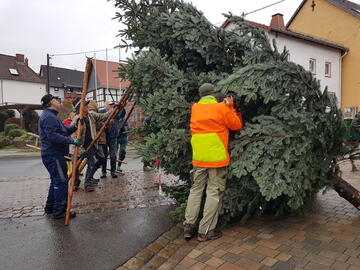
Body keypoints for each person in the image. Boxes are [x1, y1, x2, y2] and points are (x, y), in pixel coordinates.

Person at [183, 83, 243, 242]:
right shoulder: (221, 108)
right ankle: (205, 231)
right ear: (214, 94)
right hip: (216, 158)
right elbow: (236, 124)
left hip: (199, 157)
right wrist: (230, 107)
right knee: (213, 193)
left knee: (195, 190)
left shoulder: (195, 108)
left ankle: (189, 226)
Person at [39, 94, 80, 219]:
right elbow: (52, 136)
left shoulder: (52, 116)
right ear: (51, 102)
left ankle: (50, 207)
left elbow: (63, 131)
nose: (59, 101)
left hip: (55, 154)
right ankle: (60, 211)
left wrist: (75, 126)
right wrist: (71, 141)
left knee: (56, 181)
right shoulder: (49, 117)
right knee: (61, 182)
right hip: (54, 155)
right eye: (56, 100)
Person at [72, 99, 111, 192]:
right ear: (80, 108)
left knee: (92, 164)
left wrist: (113, 110)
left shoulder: (91, 115)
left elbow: (104, 116)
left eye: (86, 105)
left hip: (90, 145)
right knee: (75, 167)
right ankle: (75, 183)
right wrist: (79, 147)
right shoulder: (76, 119)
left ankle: (88, 183)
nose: (87, 106)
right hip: (78, 147)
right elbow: (73, 135)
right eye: (85, 105)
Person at [100, 101, 120, 178]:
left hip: (113, 136)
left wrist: (118, 108)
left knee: (113, 155)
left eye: (113, 105)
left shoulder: (115, 112)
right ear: (106, 105)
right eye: (110, 105)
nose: (112, 106)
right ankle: (103, 172)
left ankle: (113, 172)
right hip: (104, 136)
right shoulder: (101, 112)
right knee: (103, 155)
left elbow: (121, 114)